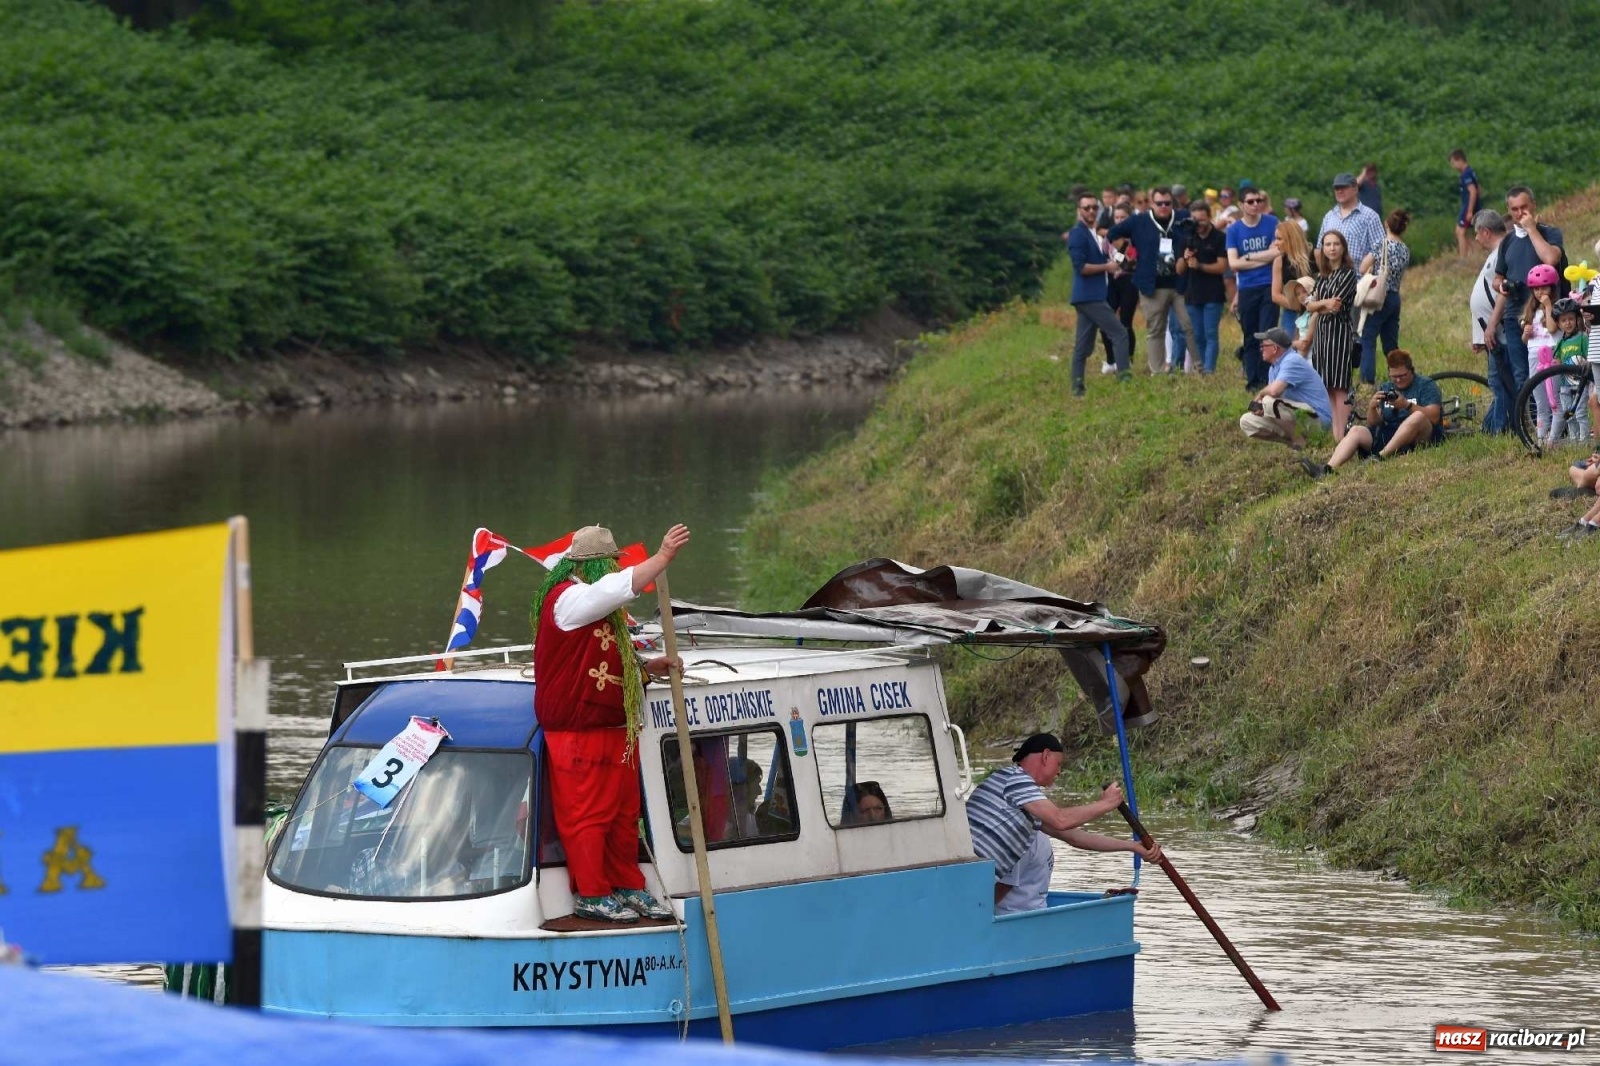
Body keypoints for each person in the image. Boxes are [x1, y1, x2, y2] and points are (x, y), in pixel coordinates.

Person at [530, 523, 689, 923]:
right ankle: (592, 892)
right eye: (609, 563)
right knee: (587, 813)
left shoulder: (601, 611)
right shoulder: (568, 600)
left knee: (623, 812)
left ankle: (627, 884)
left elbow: (612, 659)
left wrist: (648, 667)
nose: (613, 569)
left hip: (615, 727)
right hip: (579, 728)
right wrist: (662, 557)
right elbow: (613, 589)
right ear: (593, 566)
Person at [964, 734, 1158, 915]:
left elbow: (1074, 837)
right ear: (1046, 756)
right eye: (1058, 764)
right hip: (967, 882)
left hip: (970, 882)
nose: (1059, 772)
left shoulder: (1024, 805)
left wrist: (1132, 846)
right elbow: (1061, 819)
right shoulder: (1014, 779)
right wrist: (1106, 804)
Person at [1487, 185, 1565, 435]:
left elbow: (1551, 258)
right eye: (1514, 209)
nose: (1521, 213)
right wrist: (1502, 286)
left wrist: (1531, 229)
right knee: (1523, 375)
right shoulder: (1508, 241)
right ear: (1508, 211)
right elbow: (1497, 279)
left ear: (1534, 205)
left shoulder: (1549, 232)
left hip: (1547, 316)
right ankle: (1533, 426)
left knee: (1552, 372)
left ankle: (1559, 424)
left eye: (1524, 207)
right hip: (1515, 317)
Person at [1300, 350, 1443, 477]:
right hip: (1389, 433)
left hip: (1418, 436)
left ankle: (1379, 458)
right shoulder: (1387, 387)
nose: (1398, 380)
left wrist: (1406, 405)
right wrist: (1372, 408)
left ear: (1411, 371)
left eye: (1402, 376)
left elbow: (1434, 416)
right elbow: (1374, 423)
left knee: (1416, 416)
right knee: (1356, 430)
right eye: (1394, 377)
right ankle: (1327, 470)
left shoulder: (1425, 385)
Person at [1107, 185, 1199, 374]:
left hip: (1180, 283)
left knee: (1189, 326)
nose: (1164, 206)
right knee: (1155, 329)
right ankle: (1157, 370)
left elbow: (1200, 230)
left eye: (1167, 203)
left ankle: (1199, 367)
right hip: (1152, 285)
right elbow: (1112, 234)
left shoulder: (1182, 218)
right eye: (1159, 203)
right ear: (1151, 203)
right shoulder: (1139, 221)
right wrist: (1126, 251)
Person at [1065, 192, 1131, 395]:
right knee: (1119, 333)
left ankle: (1077, 388)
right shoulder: (1078, 234)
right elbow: (1080, 267)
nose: (1092, 211)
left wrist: (1120, 258)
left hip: (1090, 296)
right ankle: (1125, 380)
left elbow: (1110, 256)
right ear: (1079, 210)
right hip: (1090, 296)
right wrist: (1107, 266)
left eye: (1095, 207)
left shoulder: (1093, 234)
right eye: (1087, 208)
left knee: (1083, 346)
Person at [1239, 327, 1332, 448]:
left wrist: (1261, 394)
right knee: (1247, 421)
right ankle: (1296, 444)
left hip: (1317, 420)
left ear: (1275, 348)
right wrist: (1262, 408)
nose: (1261, 348)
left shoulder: (1292, 360)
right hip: (1299, 416)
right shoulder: (1273, 368)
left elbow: (1274, 391)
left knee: (1269, 402)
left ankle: (1300, 442)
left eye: (1264, 346)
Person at [1305, 229, 1358, 438]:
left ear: (1343, 247)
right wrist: (1322, 304)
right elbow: (1309, 306)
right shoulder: (1322, 276)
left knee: (1340, 386)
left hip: (1339, 334)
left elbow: (1336, 306)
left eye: (1336, 244)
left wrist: (1320, 304)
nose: (1332, 248)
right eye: (1328, 244)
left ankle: (1343, 437)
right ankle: (1337, 437)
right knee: (1328, 387)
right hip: (1322, 336)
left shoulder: (1347, 273)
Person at [1226, 188, 1280, 391]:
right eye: (1250, 201)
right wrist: (1263, 256)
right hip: (1247, 287)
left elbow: (1278, 251)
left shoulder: (1271, 223)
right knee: (1250, 334)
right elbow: (1233, 263)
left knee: (1267, 333)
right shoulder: (1234, 230)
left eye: (1258, 200)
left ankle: (1268, 377)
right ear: (1241, 205)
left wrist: (1248, 257)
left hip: (1269, 284)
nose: (1255, 204)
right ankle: (1252, 380)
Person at [1357, 210, 1414, 385]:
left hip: (1378, 297)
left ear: (1386, 225)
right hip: (1395, 297)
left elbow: (1362, 268)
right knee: (1390, 344)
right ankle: (1404, 375)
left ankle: (1367, 381)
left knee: (1368, 337)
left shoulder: (1380, 245)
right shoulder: (1405, 249)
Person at [1176, 199, 1227, 374]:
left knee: (1210, 333)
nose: (1198, 224)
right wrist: (1185, 256)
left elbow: (1222, 267)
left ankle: (1209, 370)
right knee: (1197, 335)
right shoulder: (1187, 237)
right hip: (1192, 293)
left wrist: (1200, 266)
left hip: (1213, 293)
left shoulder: (1219, 238)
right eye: (1195, 219)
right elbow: (1180, 270)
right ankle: (1201, 368)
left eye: (1202, 220)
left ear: (1210, 217)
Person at [1469, 210, 1508, 417]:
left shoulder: (1502, 252)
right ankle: (1495, 426)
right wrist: (1478, 334)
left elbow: (1503, 293)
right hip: (1490, 332)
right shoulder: (1495, 255)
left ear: (1486, 232)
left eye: (1476, 233)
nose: (1475, 239)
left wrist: (1491, 326)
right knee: (1497, 381)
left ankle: (1501, 428)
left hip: (1499, 332)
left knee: (1499, 381)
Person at [1521, 263, 1562, 444]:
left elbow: (1552, 328)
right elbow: (1525, 341)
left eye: (1543, 287)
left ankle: (1552, 440)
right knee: (1540, 400)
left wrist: (1547, 306)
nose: (1539, 292)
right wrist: (1526, 334)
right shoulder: (1530, 310)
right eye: (1536, 289)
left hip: (1551, 352)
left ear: (1552, 288)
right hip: (1534, 355)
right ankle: (1540, 439)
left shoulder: (1557, 308)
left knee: (1555, 398)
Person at [1318, 172, 1386, 277]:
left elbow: (1382, 248)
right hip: (1331, 280)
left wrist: (1365, 269)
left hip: (1358, 281)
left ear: (1355, 189)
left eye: (1344, 187)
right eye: (1337, 188)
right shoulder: (1329, 217)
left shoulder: (1370, 216)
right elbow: (1319, 249)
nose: (1339, 191)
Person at [1101, 203, 1140, 375]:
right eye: (1116, 217)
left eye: (1122, 218)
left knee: (1125, 323)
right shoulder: (1107, 239)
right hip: (1111, 283)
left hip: (1129, 281)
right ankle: (1110, 359)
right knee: (1105, 321)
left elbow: (1129, 262)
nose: (1119, 221)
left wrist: (1115, 257)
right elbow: (1102, 257)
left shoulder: (1134, 238)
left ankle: (1128, 360)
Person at [1548, 297, 1590, 445]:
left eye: (1571, 319)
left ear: (1577, 319)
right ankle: (1573, 440)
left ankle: (1583, 441)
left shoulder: (1583, 338)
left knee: (1580, 413)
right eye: (1563, 320)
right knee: (1569, 415)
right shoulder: (1561, 343)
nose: (1568, 323)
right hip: (1565, 385)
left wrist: (1585, 362)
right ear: (1558, 324)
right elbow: (1557, 360)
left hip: (1580, 384)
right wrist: (1554, 363)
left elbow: (1588, 358)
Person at [1270, 221, 1316, 343]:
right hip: (1292, 310)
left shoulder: (1315, 255)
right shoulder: (1279, 261)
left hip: (1317, 310)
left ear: (1291, 239)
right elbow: (1275, 295)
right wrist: (1300, 306)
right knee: (1288, 347)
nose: (1276, 243)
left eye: (1279, 239)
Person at [1451, 149, 1481, 258]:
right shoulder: (1471, 171)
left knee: (1460, 232)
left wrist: (1470, 210)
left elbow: (1473, 191)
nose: (1453, 166)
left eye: (1453, 162)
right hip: (1470, 205)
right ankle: (1474, 252)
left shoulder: (1466, 174)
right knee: (1461, 231)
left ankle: (1463, 258)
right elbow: (1479, 189)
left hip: (1468, 206)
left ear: (1459, 160)